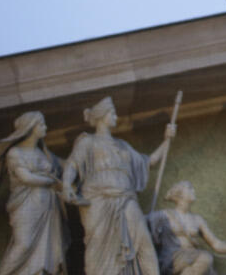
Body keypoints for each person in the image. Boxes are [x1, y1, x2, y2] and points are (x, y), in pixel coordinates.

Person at [62, 96, 176, 275]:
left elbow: (149, 161)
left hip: (125, 198)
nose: (116, 117)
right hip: (97, 201)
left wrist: (167, 140)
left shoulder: (123, 145)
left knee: (144, 241)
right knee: (97, 245)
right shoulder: (87, 141)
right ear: (102, 116)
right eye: (113, 113)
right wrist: (67, 185)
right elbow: (72, 164)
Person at [0, 111, 68, 275]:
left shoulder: (43, 153)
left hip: (46, 205)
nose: (45, 127)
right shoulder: (15, 153)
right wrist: (51, 181)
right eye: (41, 124)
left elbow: (65, 164)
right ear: (30, 127)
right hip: (26, 204)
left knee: (47, 249)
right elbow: (26, 177)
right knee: (24, 244)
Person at [146, 181, 226, 275]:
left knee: (197, 266)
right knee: (206, 258)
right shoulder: (164, 215)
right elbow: (143, 223)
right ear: (180, 194)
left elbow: (216, 244)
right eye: (190, 188)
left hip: (191, 258)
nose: (193, 191)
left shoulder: (197, 220)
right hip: (171, 258)